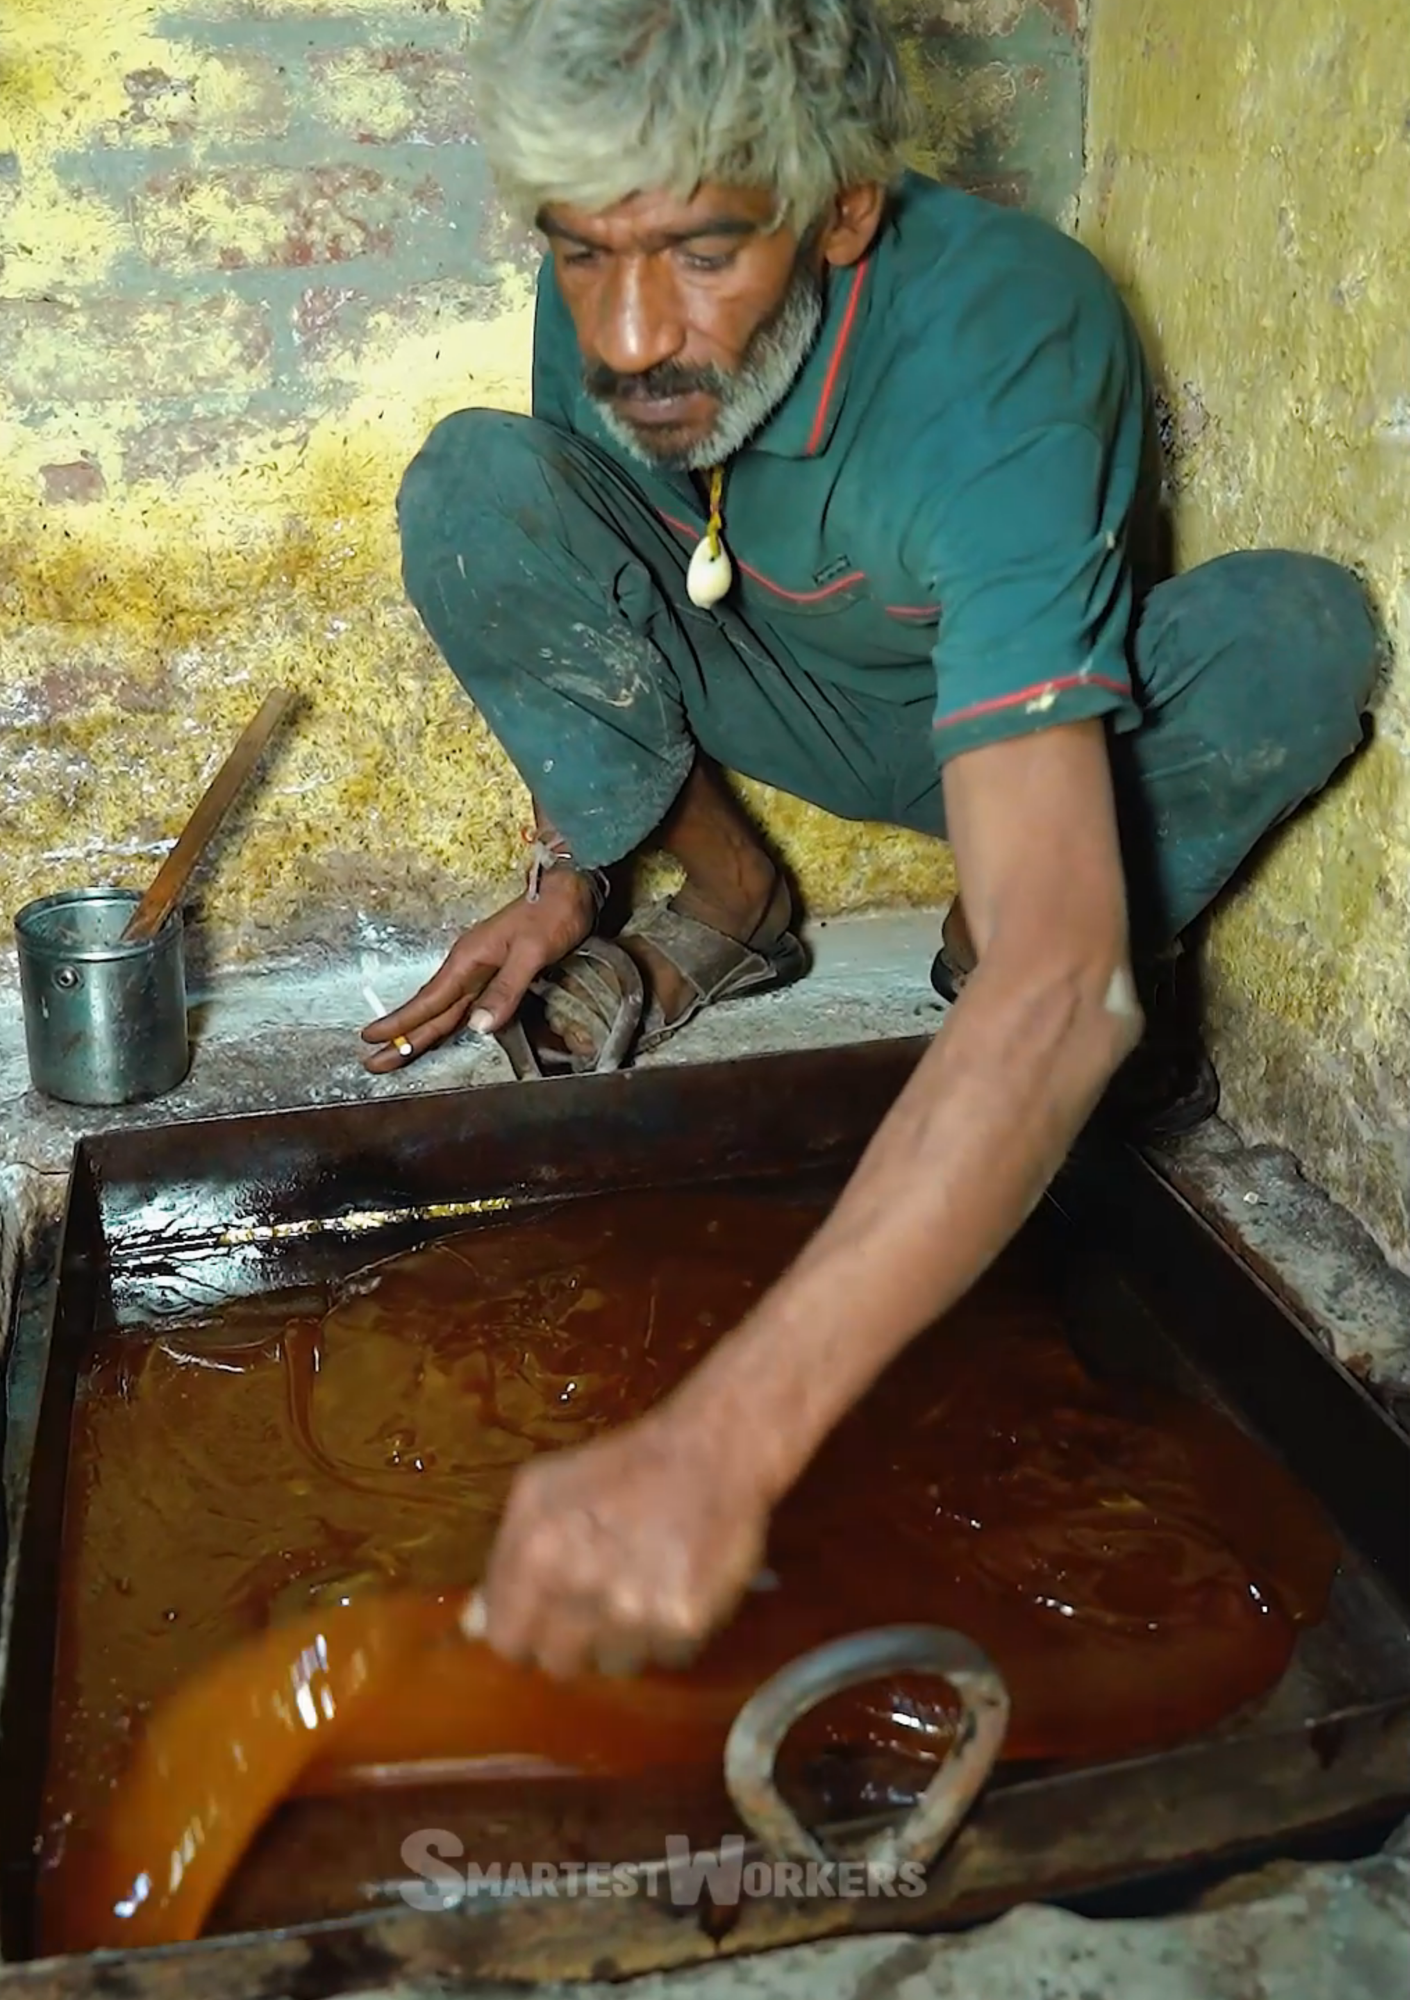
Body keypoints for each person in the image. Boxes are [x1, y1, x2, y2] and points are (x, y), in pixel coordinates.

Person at [361, 0, 1380, 1680]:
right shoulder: (619, 310)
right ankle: (734, 897)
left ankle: (993, 912)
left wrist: (721, 1443)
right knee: (473, 482)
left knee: (1297, 636)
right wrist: (569, 872)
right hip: (772, 681)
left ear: (841, 211)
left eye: (701, 253)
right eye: (582, 253)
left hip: (1041, 736)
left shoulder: (1004, 339)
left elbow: (1069, 991)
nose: (630, 335)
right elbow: (588, 540)